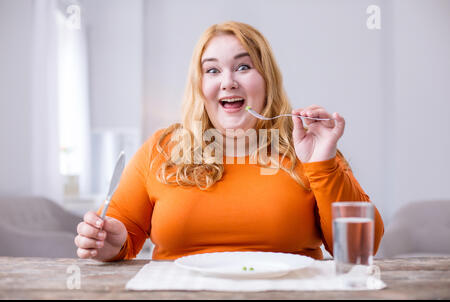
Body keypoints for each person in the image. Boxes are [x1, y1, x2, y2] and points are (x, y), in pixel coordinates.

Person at [74, 21, 384, 262]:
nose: (228, 82)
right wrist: (108, 243)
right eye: (212, 70)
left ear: (267, 81)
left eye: (243, 66)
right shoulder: (162, 148)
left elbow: (363, 248)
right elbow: (119, 239)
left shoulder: (308, 147)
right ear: (201, 86)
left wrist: (323, 165)